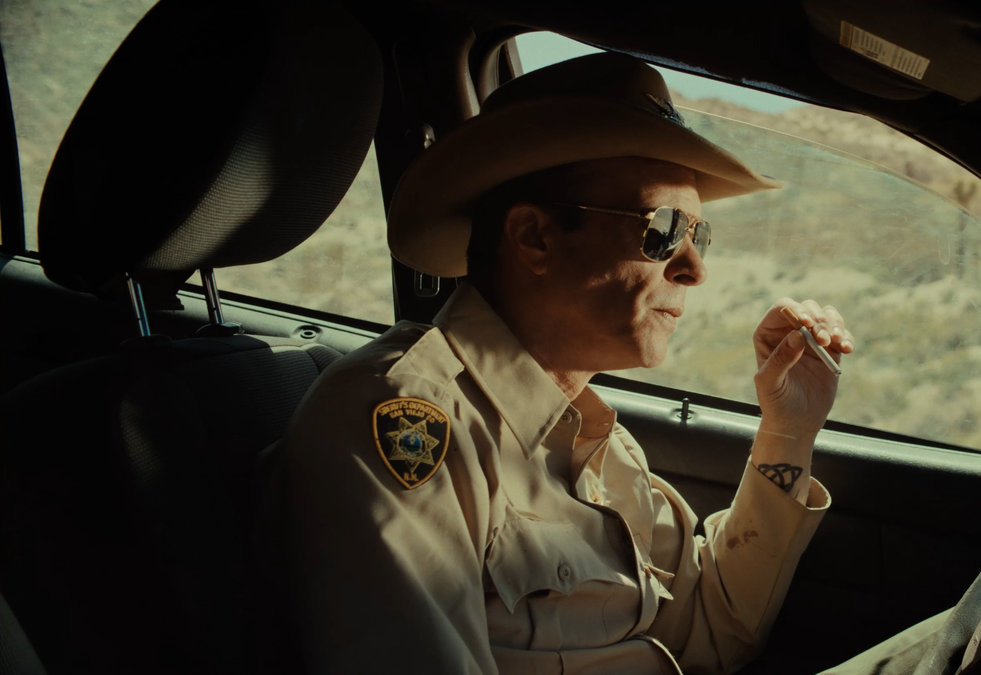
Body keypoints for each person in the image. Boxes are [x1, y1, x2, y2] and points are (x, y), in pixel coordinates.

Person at [274, 52, 853, 674]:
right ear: (534, 237)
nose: (694, 269)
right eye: (663, 230)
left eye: (699, 237)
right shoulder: (401, 422)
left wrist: (789, 429)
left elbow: (714, 630)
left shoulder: (599, 442)